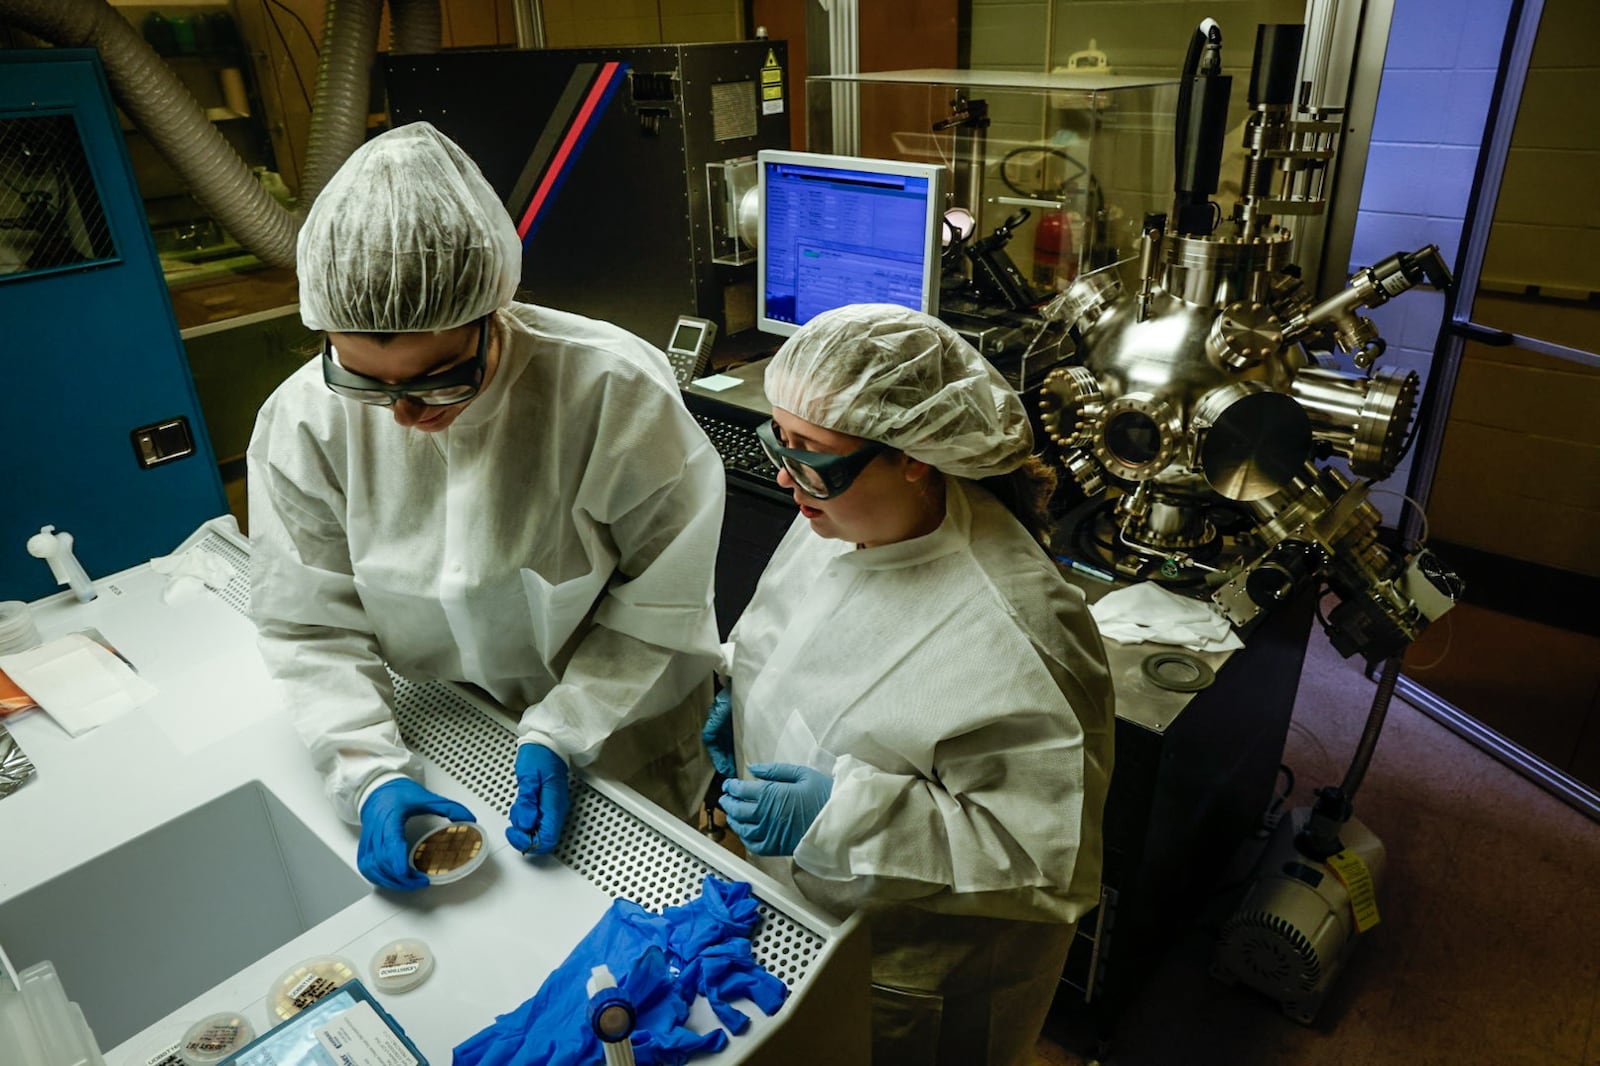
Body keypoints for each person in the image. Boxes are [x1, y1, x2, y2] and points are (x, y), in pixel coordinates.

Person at [247, 122, 724, 891]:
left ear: (491, 313)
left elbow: (664, 600)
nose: (404, 413)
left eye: (438, 378)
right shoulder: (304, 420)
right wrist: (366, 768)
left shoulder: (607, 391)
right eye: (368, 382)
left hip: (618, 734)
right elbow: (311, 624)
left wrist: (569, 729)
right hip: (444, 732)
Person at [702, 303, 1114, 1065]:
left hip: (912, 972)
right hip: (796, 906)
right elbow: (792, 634)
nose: (791, 481)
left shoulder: (1019, 628)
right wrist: (738, 687)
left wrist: (842, 816)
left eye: (812, 455)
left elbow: (1040, 856)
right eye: (779, 443)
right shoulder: (839, 508)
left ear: (914, 456)